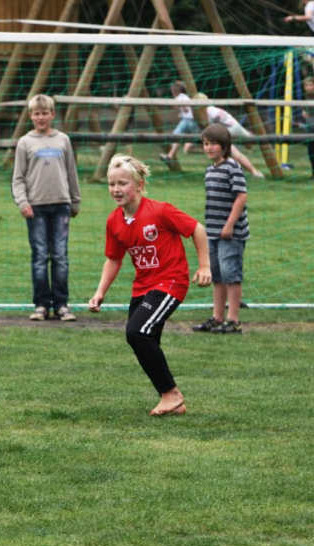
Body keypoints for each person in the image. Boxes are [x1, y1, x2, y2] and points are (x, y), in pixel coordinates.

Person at [88, 155, 211, 416]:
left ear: (140, 184)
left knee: (136, 332)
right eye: (111, 184)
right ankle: (173, 402)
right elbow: (113, 259)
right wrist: (100, 293)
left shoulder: (161, 211)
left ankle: (171, 394)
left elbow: (197, 229)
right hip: (142, 286)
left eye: (122, 183)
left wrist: (204, 266)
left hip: (171, 281)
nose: (116, 189)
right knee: (145, 339)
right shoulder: (114, 221)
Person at [11, 94, 81, 322]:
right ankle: (41, 305)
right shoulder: (25, 142)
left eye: (45, 113)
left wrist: (75, 199)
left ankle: (61, 305)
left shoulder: (63, 140)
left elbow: (71, 172)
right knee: (40, 256)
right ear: (30, 115)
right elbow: (18, 178)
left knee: (60, 256)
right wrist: (23, 202)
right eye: (36, 113)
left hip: (61, 206)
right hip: (36, 208)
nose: (41, 117)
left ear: (52, 114)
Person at [192, 124, 249, 336]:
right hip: (213, 233)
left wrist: (229, 224)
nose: (208, 148)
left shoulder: (233, 167)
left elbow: (241, 196)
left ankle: (233, 320)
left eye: (213, 144)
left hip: (230, 234)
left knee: (231, 275)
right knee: (217, 275)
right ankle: (217, 317)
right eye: (205, 144)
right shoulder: (209, 170)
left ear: (224, 146)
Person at [195, 94, 265, 179]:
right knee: (243, 146)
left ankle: (254, 172)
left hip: (230, 128)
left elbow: (216, 128)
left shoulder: (210, 111)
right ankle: (252, 171)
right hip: (233, 127)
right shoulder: (206, 111)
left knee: (234, 152)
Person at [159, 80, 199, 164]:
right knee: (180, 138)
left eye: (172, 91)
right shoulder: (185, 97)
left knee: (175, 136)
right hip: (192, 122)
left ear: (175, 91)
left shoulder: (180, 97)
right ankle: (170, 156)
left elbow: (180, 104)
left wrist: (178, 106)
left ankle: (188, 147)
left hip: (188, 121)